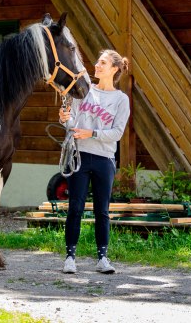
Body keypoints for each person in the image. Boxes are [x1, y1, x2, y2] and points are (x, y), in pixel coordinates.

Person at [58, 49, 130, 274]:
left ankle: (102, 259)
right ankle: (70, 258)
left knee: (102, 211)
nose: (97, 66)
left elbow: (117, 133)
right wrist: (64, 119)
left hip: (104, 160)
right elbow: (72, 124)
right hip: (79, 156)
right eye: (98, 62)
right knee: (75, 208)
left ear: (115, 69)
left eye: (103, 63)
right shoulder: (84, 91)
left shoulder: (121, 100)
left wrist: (92, 133)